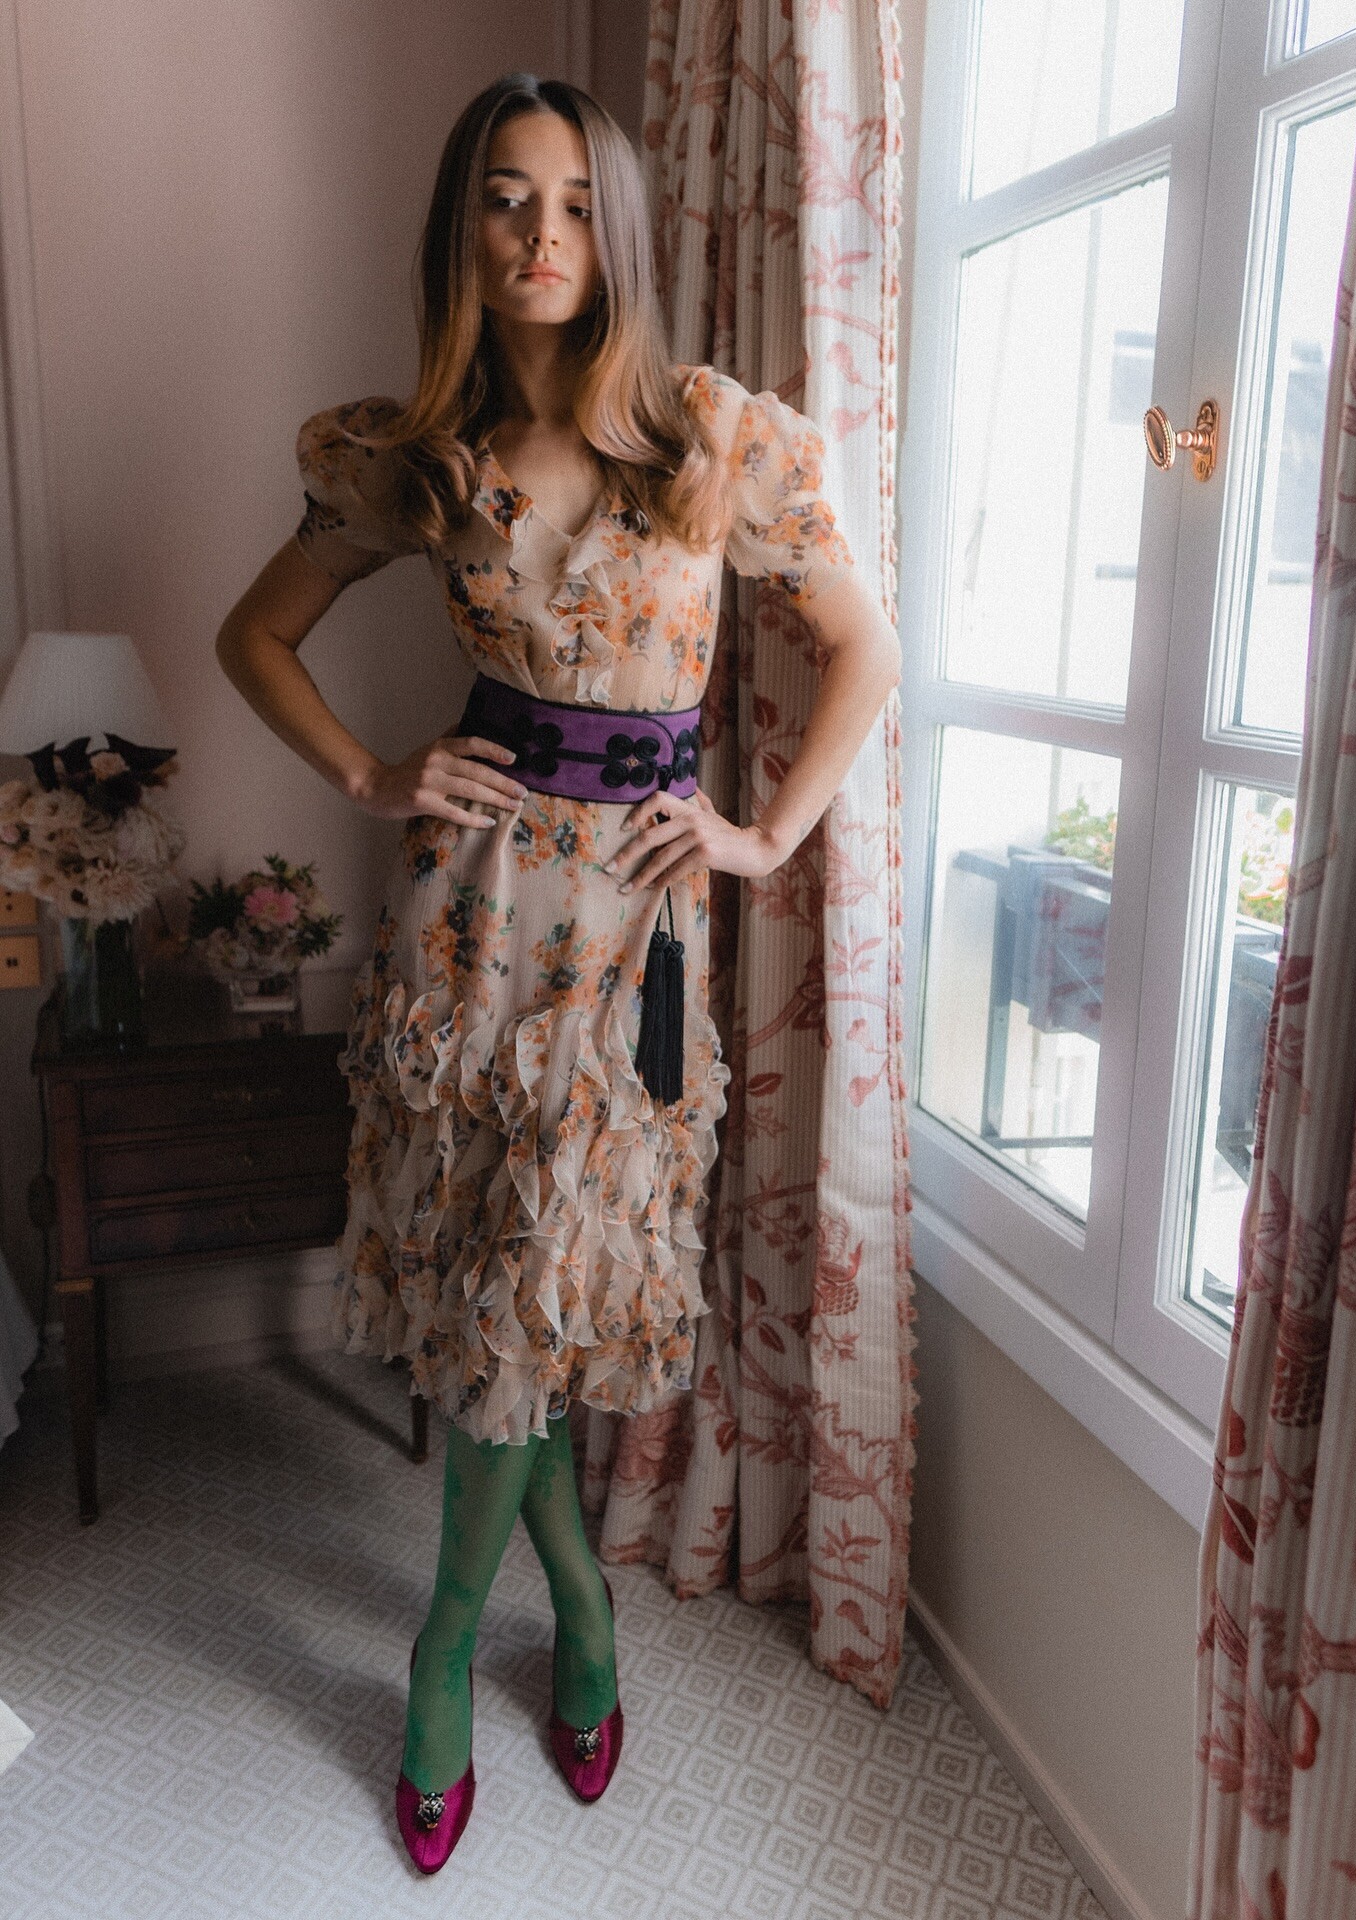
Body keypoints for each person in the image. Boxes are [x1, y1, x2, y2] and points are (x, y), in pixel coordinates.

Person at [216, 70, 901, 1875]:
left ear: (624, 229)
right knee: (488, 1296)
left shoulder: (712, 436)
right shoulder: (418, 456)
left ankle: (457, 1639)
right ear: (464, 228)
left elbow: (865, 649)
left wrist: (764, 837)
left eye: (579, 202)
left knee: (546, 1294)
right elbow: (253, 635)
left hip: (643, 927)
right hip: (476, 918)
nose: (543, 234)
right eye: (509, 199)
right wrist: (372, 774)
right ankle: (566, 1611)